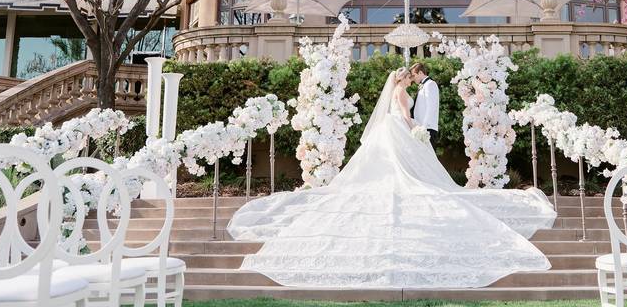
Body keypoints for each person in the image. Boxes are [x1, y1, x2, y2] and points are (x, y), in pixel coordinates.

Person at [226, 68, 556, 289]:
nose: (410, 80)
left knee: (403, 166)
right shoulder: (401, 91)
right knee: (400, 168)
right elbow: (404, 112)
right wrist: (414, 127)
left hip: (395, 129)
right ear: (400, 79)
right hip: (398, 128)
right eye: (407, 77)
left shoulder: (403, 88)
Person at [410, 62, 439, 143]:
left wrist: (423, 127)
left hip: (427, 129)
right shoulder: (424, 85)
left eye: (413, 75)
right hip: (421, 128)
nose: (413, 78)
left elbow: (431, 107)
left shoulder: (430, 84)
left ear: (420, 72)